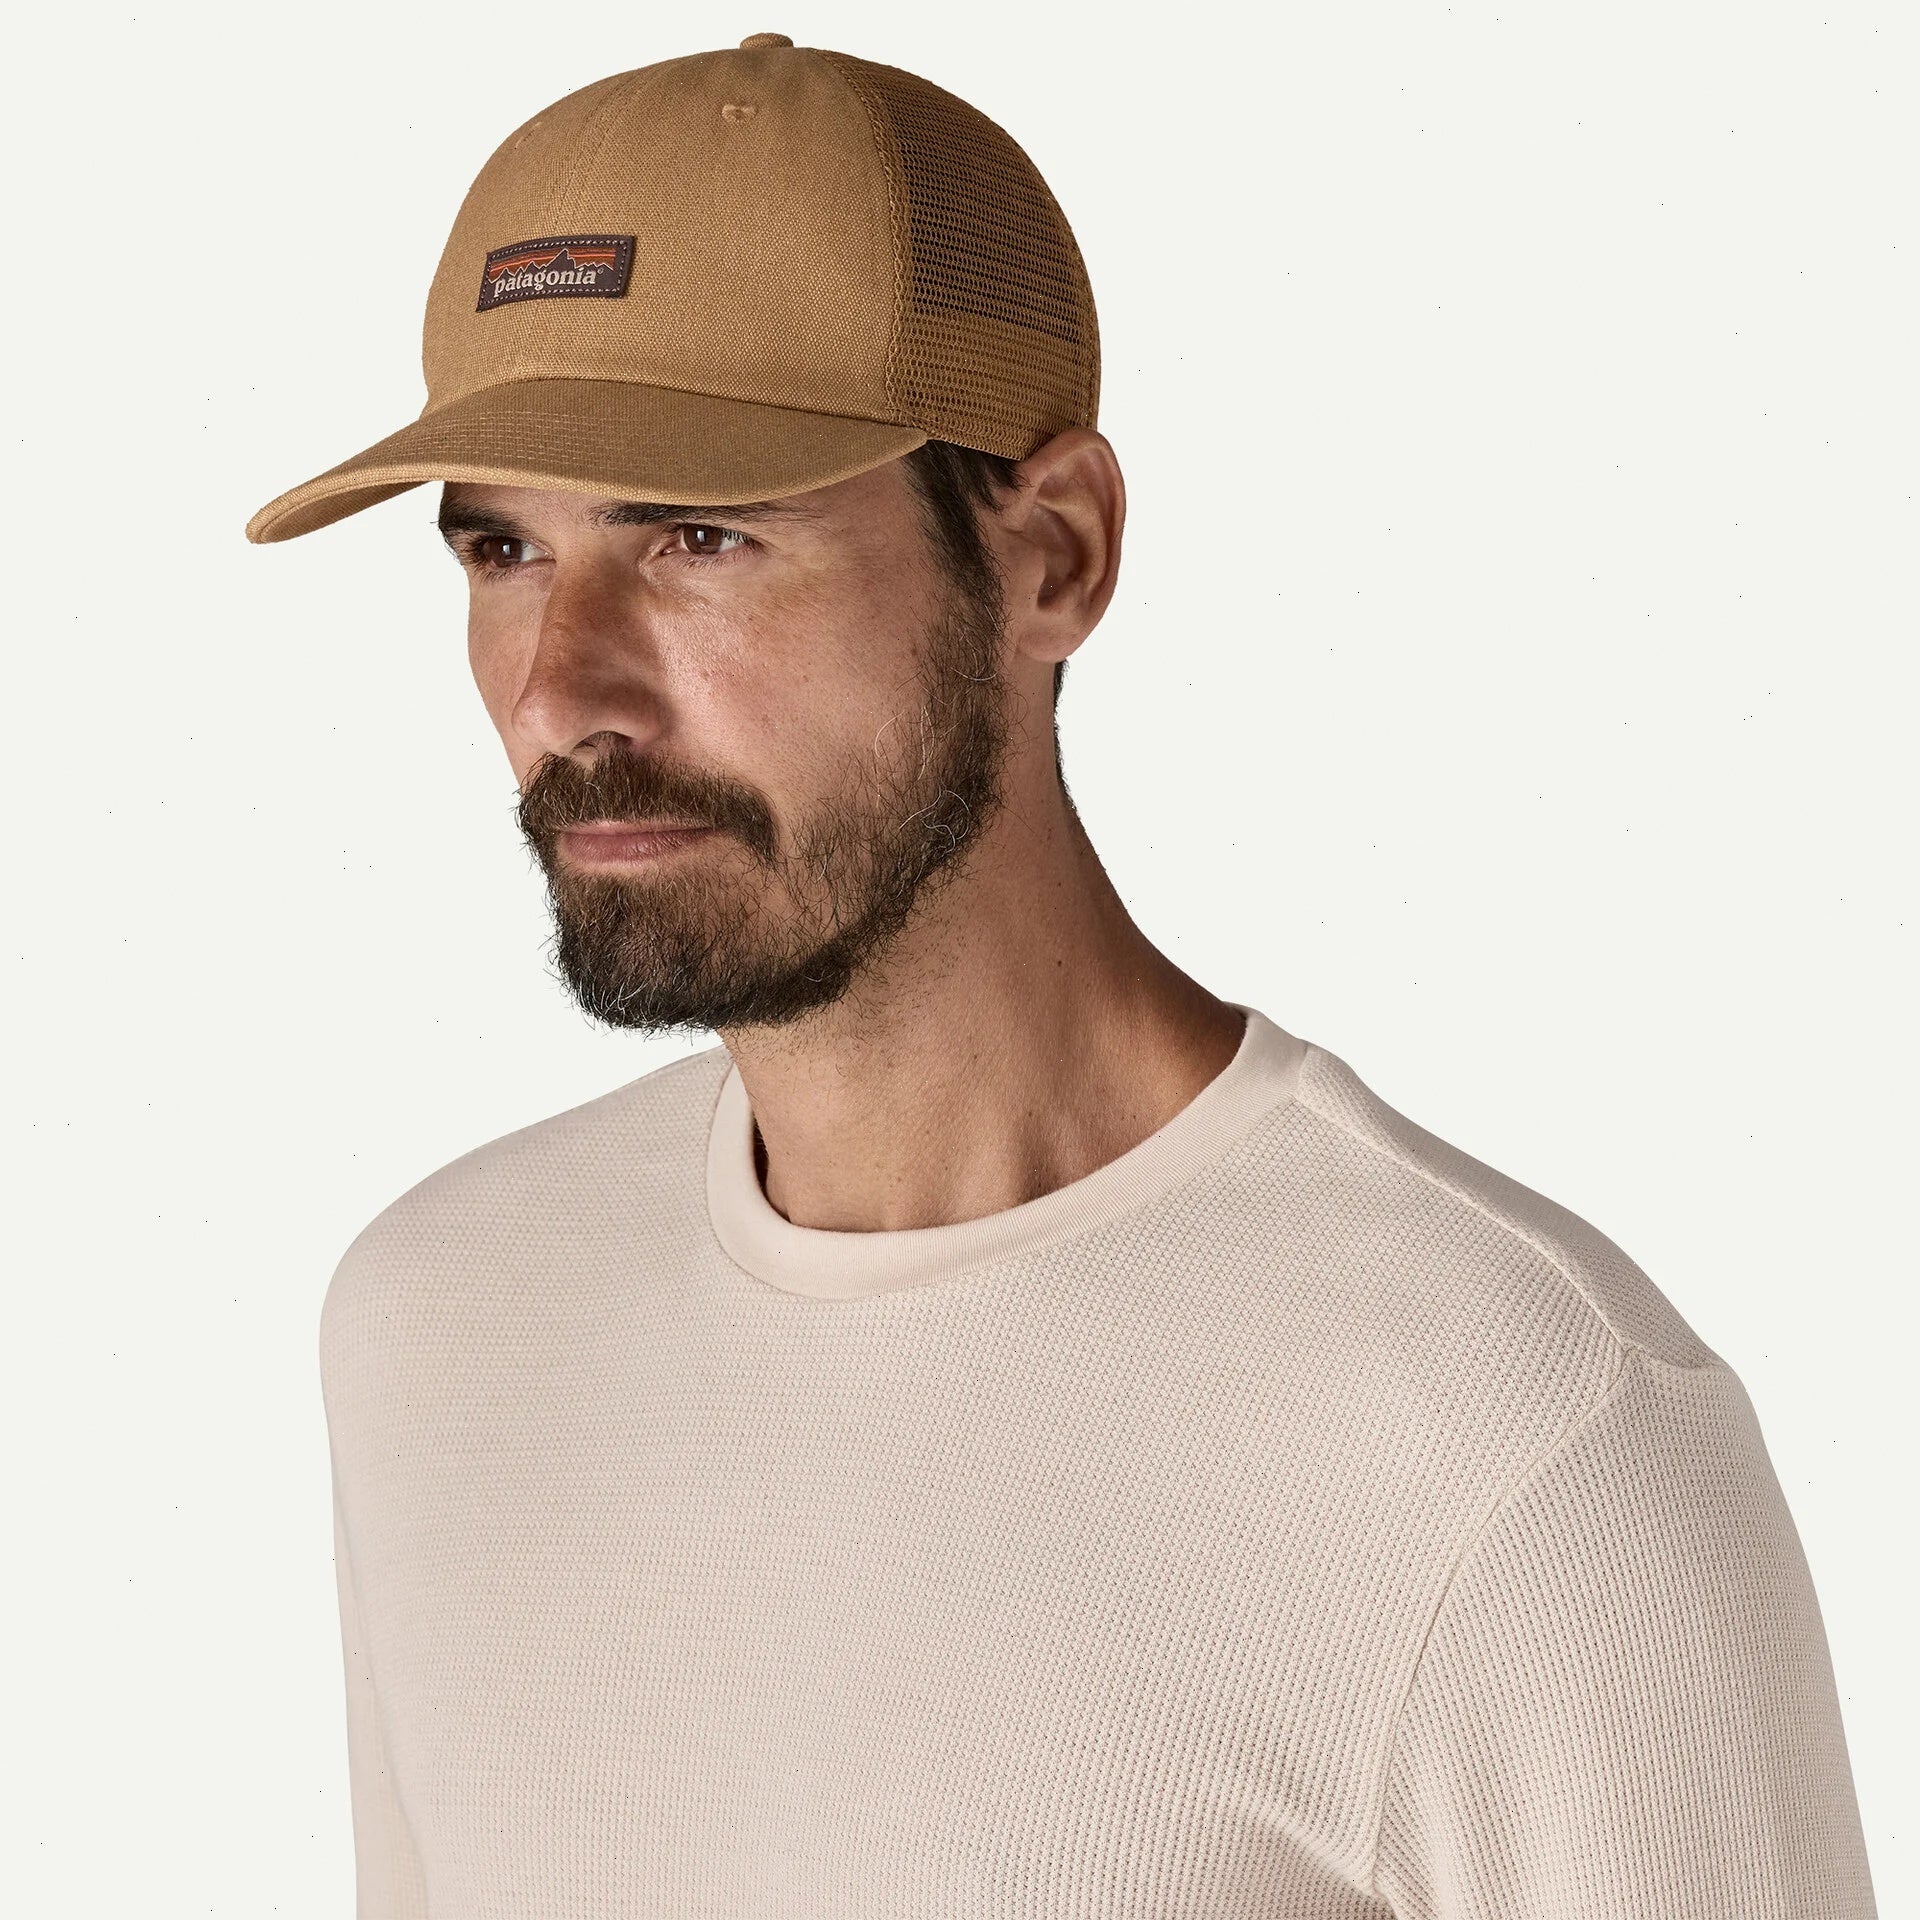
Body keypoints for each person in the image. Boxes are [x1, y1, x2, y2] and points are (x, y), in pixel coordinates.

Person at [247, 32, 1879, 1920]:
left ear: (1053, 555)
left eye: (697, 538)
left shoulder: (1513, 1446)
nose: (559, 691)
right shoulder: (444, 1326)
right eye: (503, 548)